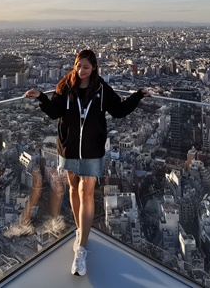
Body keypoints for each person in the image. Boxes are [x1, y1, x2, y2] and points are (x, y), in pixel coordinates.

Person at [24, 49, 149, 276]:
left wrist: (138, 95)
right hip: (69, 149)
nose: (81, 71)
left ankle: (81, 249)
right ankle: (81, 232)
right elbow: (54, 112)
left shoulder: (101, 89)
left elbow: (119, 110)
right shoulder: (65, 87)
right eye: (78, 66)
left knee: (87, 193)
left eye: (86, 67)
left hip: (92, 150)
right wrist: (41, 97)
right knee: (73, 189)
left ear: (94, 69)